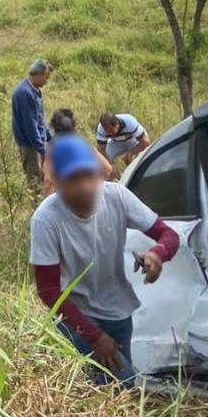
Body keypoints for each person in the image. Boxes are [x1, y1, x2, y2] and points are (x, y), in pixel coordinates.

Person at [30, 134, 179, 386]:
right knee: (116, 387)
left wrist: (157, 255)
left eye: (90, 175)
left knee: (120, 388)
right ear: (57, 182)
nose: (85, 186)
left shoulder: (117, 197)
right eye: (73, 179)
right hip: (76, 316)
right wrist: (94, 336)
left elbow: (169, 235)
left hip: (118, 311)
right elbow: (48, 290)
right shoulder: (46, 219)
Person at [42, 108, 114, 196]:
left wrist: (50, 200)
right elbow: (108, 169)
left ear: (54, 129)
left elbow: (48, 181)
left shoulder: (52, 150)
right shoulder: (83, 144)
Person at [11, 60, 54, 187]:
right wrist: (42, 149)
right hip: (31, 146)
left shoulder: (34, 90)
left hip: (38, 143)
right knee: (36, 182)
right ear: (38, 74)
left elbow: (40, 118)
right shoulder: (25, 93)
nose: (46, 81)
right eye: (46, 77)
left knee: (44, 178)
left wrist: (50, 137)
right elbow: (30, 126)